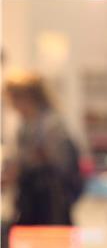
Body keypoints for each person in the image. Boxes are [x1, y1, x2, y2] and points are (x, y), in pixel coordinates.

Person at [3, 72, 81, 226]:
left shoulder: (50, 124)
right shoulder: (26, 125)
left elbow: (60, 162)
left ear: (27, 98)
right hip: (31, 199)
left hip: (47, 200)